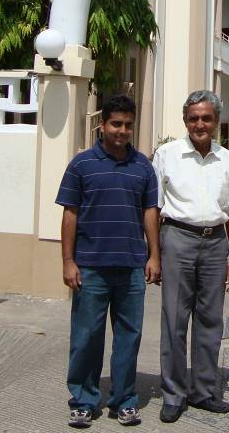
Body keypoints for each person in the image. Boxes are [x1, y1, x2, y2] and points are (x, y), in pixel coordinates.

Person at [56, 94, 161, 429]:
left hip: (131, 268)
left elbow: (150, 211)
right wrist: (68, 261)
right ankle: (83, 400)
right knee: (86, 337)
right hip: (90, 267)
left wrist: (154, 255)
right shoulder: (81, 165)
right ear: (102, 125)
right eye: (116, 124)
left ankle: (124, 400)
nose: (122, 131)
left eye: (128, 125)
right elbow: (70, 214)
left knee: (129, 337)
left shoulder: (143, 166)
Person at [153, 90, 229, 423]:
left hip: (214, 244)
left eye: (206, 118)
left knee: (210, 321)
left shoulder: (228, 160)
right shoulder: (166, 155)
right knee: (174, 320)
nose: (200, 124)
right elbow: (152, 207)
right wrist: (153, 254)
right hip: (177, 239)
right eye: (193, 118)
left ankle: (204, 391)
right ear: (185, 120)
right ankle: (173, 394)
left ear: (216, 121)